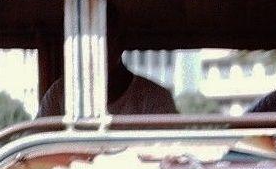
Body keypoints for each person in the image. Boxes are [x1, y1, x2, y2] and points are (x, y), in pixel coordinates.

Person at [37, 44, 179, 117]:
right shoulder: (60, 92)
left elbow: (168, 154)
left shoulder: (155, 98)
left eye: (105, 38)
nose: (94, 50)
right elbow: (37, 145)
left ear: (119, 44)